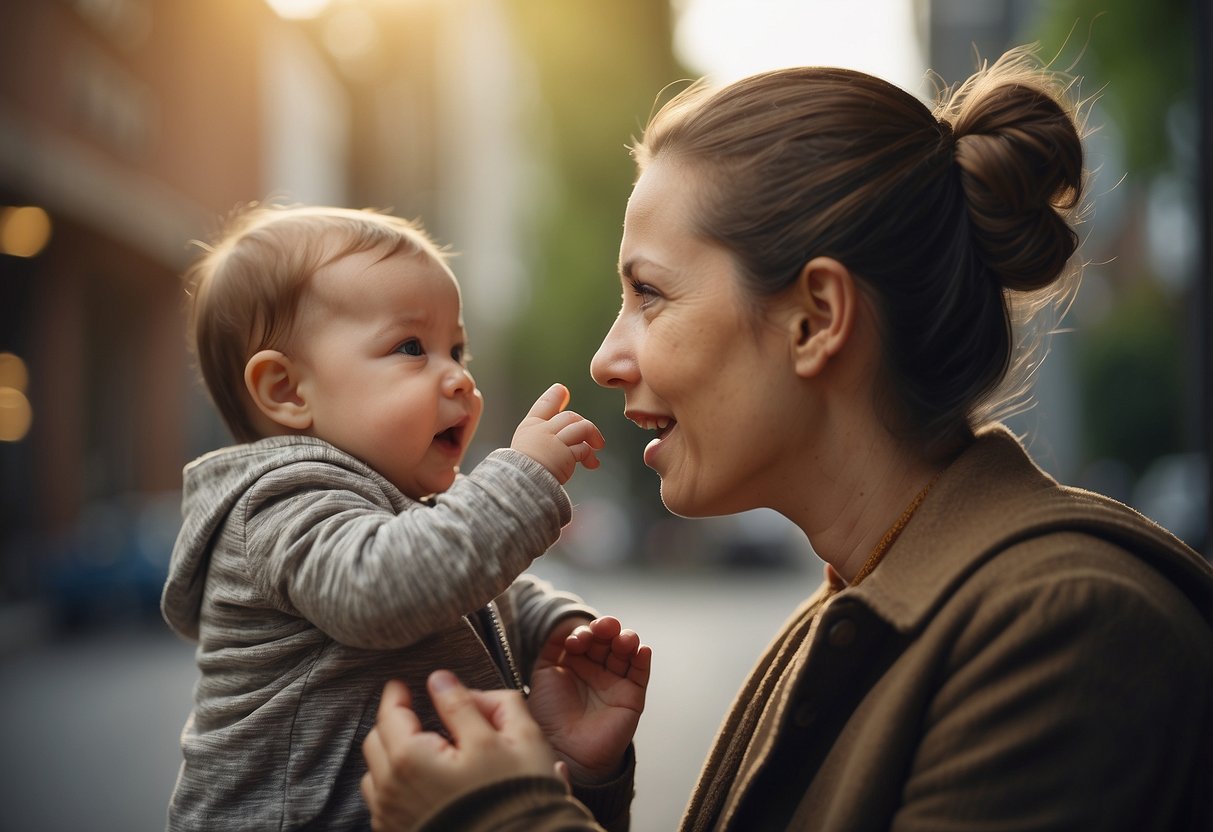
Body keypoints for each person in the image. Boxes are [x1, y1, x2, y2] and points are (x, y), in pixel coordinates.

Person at [358, 45, 1213, 831]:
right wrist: (571, 789)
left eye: (649, 293)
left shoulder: (1064, 632)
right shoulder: (857, 606)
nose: (606, 359)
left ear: (816, 318)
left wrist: (498, 820)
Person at [160, 203, 651, 831]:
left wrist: (550, 625)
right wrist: (521, 480)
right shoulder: (276, 501)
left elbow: (476, 598)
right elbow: (380, 587)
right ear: (286, 390)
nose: (459, 381)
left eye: (459, 349)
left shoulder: (401, 506)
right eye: (412, 347)